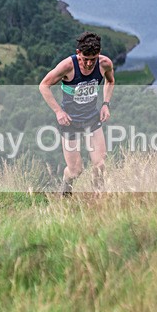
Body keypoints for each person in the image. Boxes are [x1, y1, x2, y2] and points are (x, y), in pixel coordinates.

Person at [39, 31, 114, 194]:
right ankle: (65, 193)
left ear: (98, 54)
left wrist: (105, 104)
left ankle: (98, 199)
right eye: (85, 59)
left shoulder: (105, 63)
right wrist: (58, 111)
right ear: (78, 53)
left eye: (92, 59)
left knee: (100, 164)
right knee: (75, 171)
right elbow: (44, 86)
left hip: (92, 119)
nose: (88, 64)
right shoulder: (67, 66)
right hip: (70, 122)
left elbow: (110, 81)